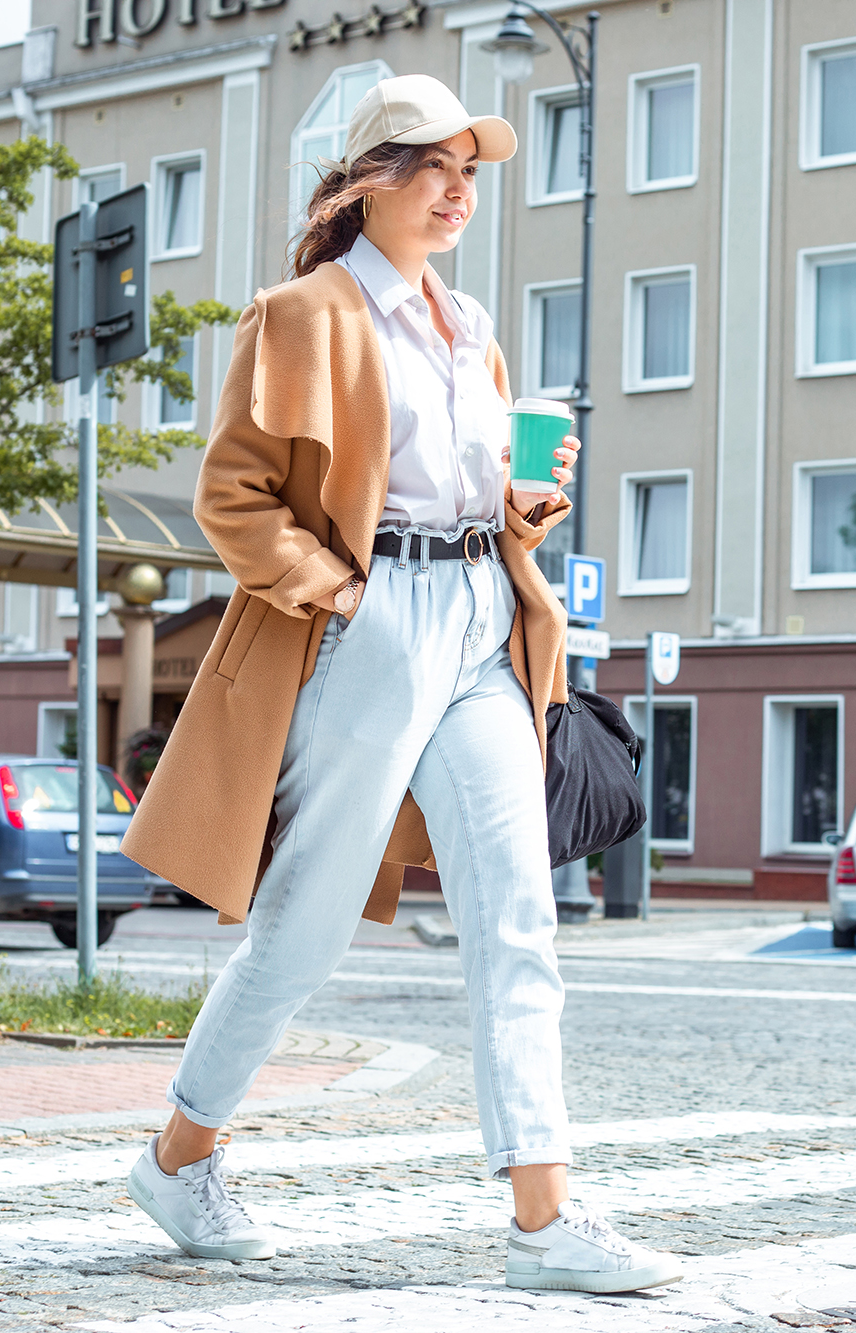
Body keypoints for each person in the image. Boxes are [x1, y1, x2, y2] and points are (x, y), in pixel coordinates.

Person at [116, 74, 684, 1296]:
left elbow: (463, 494)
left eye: (468, 174)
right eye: (432, 168)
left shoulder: (469, 327)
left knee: (516, 913)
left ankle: (544, 1220)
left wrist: (523, 504)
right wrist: (344, 595)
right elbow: (232, 497)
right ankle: (179, 1154)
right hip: (375, 623)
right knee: (304, 931)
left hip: (483, 612)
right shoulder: (302, 316)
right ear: (370, 179)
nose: (455, 192)